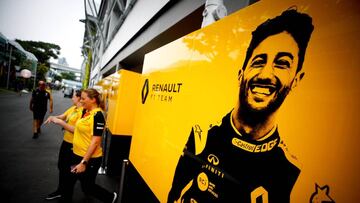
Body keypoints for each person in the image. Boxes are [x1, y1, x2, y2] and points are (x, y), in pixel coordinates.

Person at [168, 8, 314, 202]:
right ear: (240, 74)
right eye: (259, 61)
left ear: (296, 80)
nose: (265, 75)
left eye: (282, 63)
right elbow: (173, 196)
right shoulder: (201, 137)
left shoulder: (290, 170)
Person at [61, 88, 117, 203]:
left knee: (87, 187)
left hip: (89, 159)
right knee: (70, 182)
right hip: (76, 154)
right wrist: (60, 122)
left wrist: (83, 162)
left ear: (93, 99)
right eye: (80, 98)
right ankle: (110, 198)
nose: (80, 101)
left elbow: (95, 141)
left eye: (83, 98)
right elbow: (77, 130)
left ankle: (111, 198)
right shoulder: (86, 113)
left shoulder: (98, 115)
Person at [43, 89, 83, 200]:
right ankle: (61, 191)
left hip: (74, 145)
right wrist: (54, 117)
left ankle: (66, 194)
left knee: (69, 171)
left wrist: (61, 123)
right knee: (62, 167)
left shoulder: (82, 112)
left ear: (79, 98)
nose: (72, 98)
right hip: (66, 142)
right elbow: (63, 116)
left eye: (74, 96)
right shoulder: (73, 108)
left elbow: (76, 130)